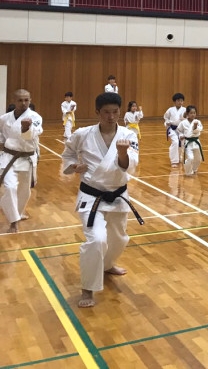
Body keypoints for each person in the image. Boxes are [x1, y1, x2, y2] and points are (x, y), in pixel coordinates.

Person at [61, 92, 142, 308]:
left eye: (115, 112)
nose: (111, 116)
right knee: (97, 239)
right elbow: (68, 154)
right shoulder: (82, 134)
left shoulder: (128, 135)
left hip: (117, 195)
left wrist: (122, 153)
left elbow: (130, 163)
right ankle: (88, 288)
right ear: (98, 112)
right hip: (91, 195)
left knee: (119, 239)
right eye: (106, 112)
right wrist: (73, 167)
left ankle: (107, 265)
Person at [0, 89, 42, 233]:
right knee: (10, 187)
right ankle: (14, 221)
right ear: (13, 101)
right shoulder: (4, 118)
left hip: (27, 158)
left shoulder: (35, 117)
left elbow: (32, 135)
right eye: (20, 100)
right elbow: (1, 135)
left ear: (30, 100)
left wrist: (26, 128)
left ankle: (17, 212)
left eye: (26, 100)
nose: (24, 103)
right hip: (8, 157)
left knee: (24, 191)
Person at [177, 105, 203, 176]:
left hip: (196, 142)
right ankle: (188, 172)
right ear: (187, 114)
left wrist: (195, 127)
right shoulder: (183, 123)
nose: (193, 114)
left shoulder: (198, 122)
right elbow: (179, 130)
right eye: (191, 113)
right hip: (188, 143)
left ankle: (194, 169)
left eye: (194, 113)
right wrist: (181, 136)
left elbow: (199, 129)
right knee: (190, 158)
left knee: (198, 158)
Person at [163, 93, 186, 167]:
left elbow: (189, 118)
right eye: (178, 100)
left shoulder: (185, 110)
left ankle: (179, 157)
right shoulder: (170, 109)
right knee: (175, 142)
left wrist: (184, 119)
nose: (180, 102)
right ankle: (174, 161)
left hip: (181, 129)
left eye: (181, 101)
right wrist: (167, 123)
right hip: (172, 128)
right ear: (174, 101)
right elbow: (166, 118)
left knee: (181, 144)